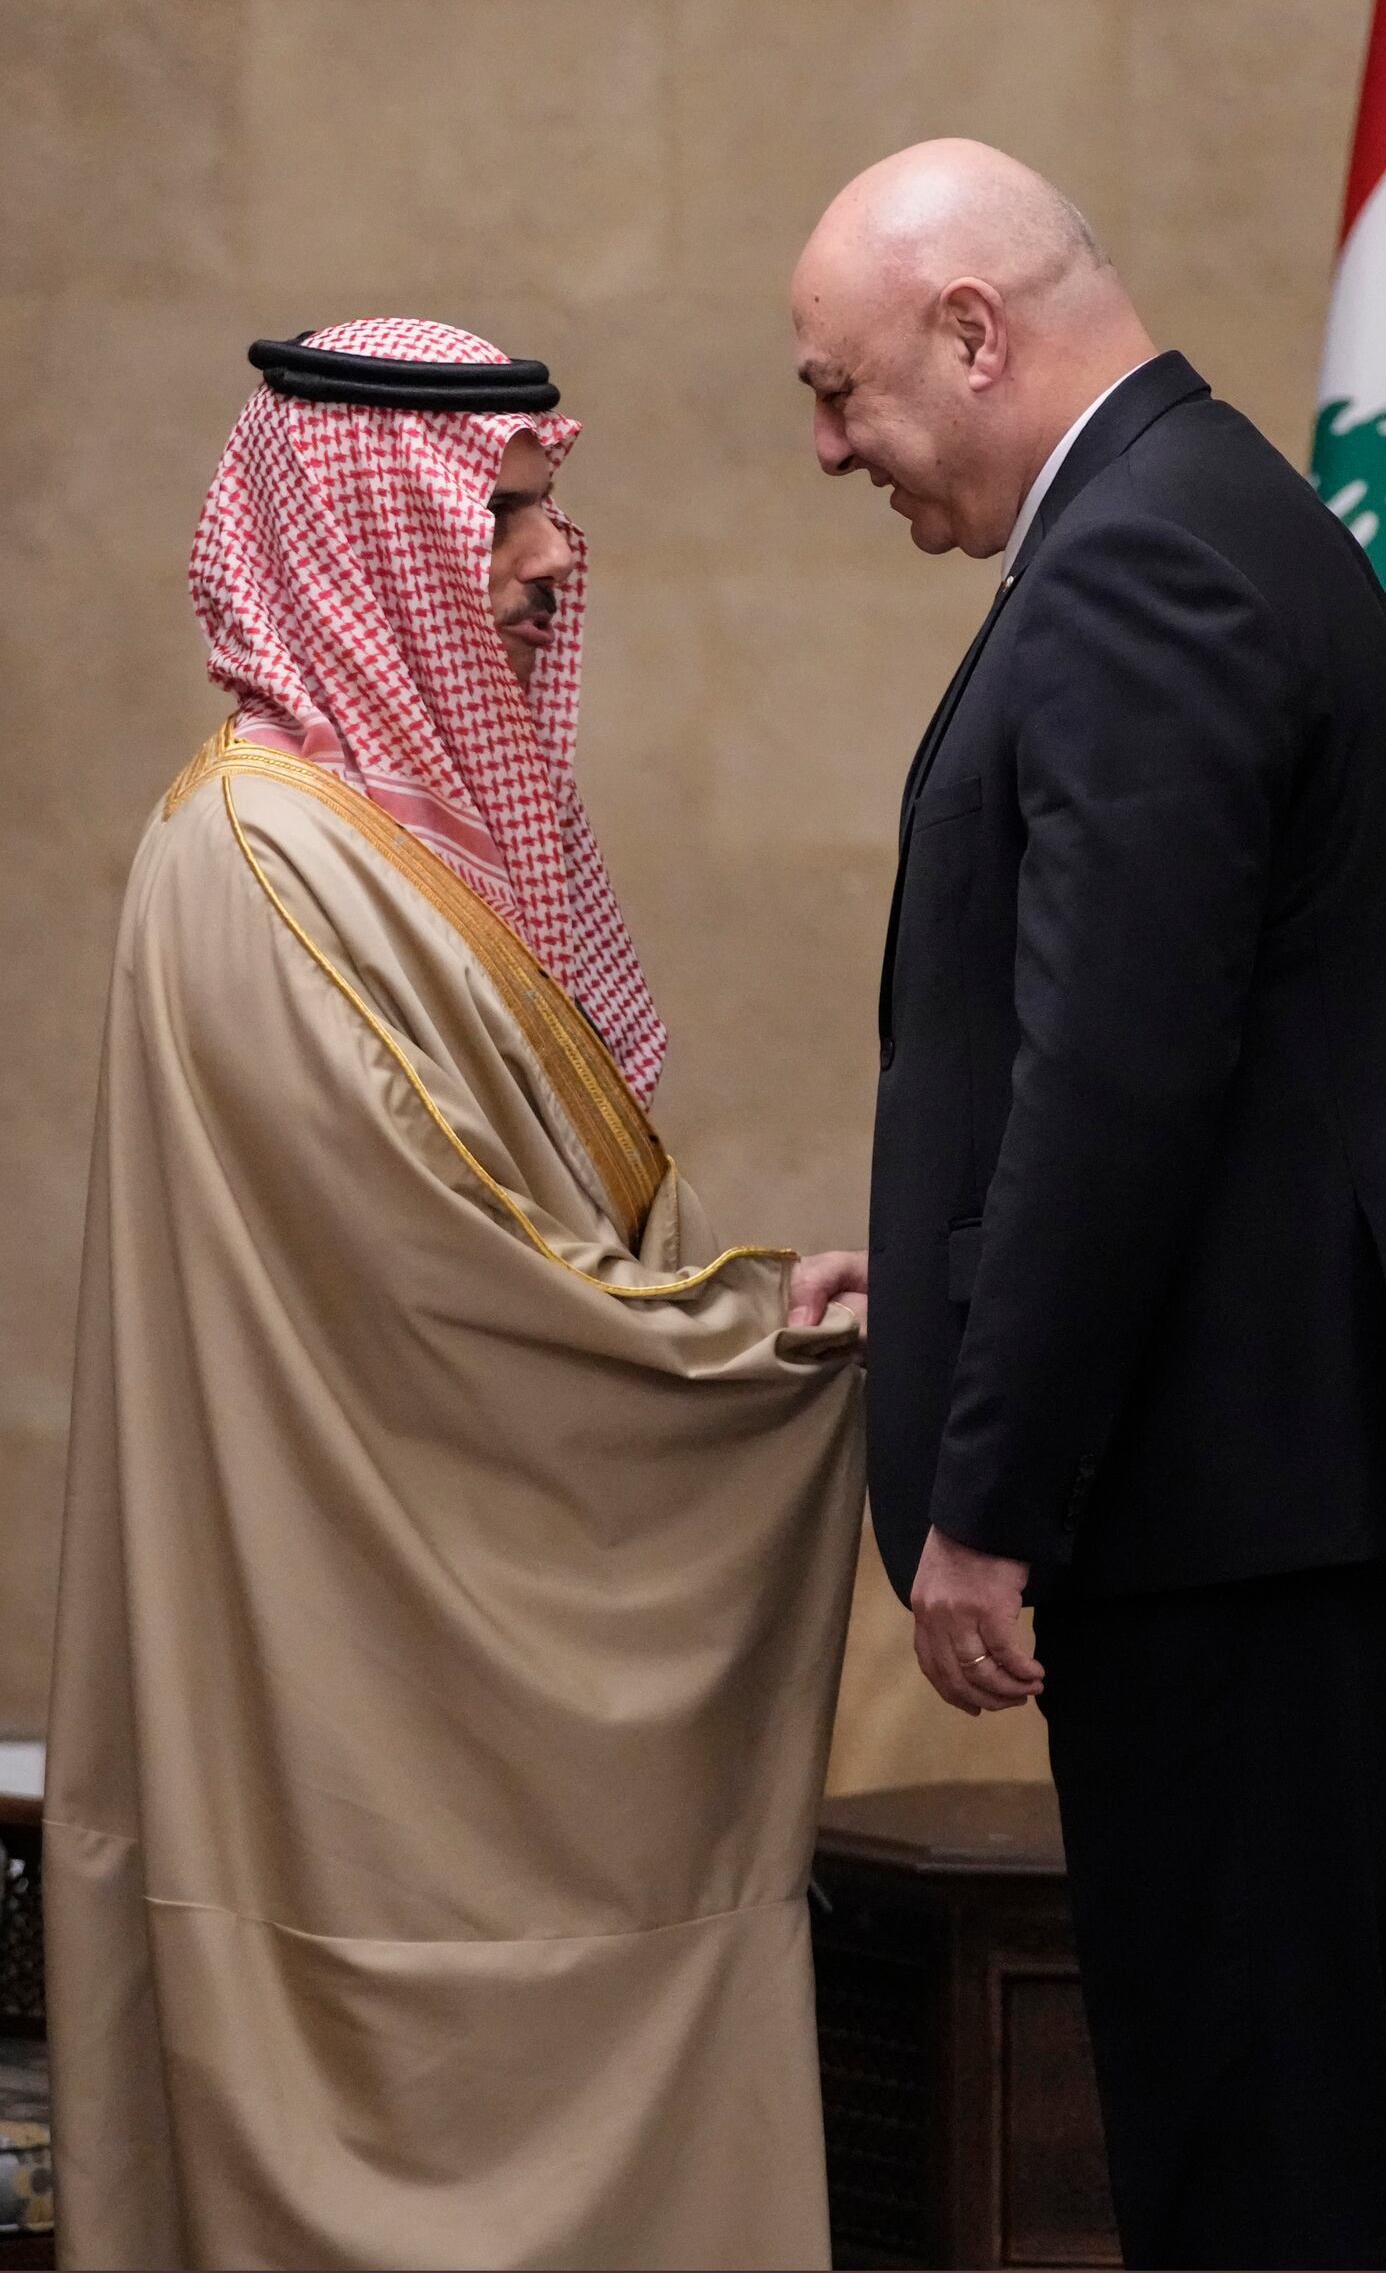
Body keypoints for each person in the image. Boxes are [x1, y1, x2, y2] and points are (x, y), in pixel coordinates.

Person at [787, 142, 1386, 2270]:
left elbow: (1116, 1080)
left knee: (1240, 2157)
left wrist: (988, 1491)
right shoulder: (1185, 516)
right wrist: (932, 1280)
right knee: (1247, 2121)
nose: (830, 446)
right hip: (1260, 1495)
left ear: (973, 328)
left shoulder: (1143, 563)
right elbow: (1173, 1066)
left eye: (843, 390)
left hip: (1232, 1514)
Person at [44, 318, 864, 2273]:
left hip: (386, 1677)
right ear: (363, 539)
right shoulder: (260, 863)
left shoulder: (364, 846)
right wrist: (765, 1348)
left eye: (547, 504)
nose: (553, 555)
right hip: (357, 1720)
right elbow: (454, 1306)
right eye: (505, 510)